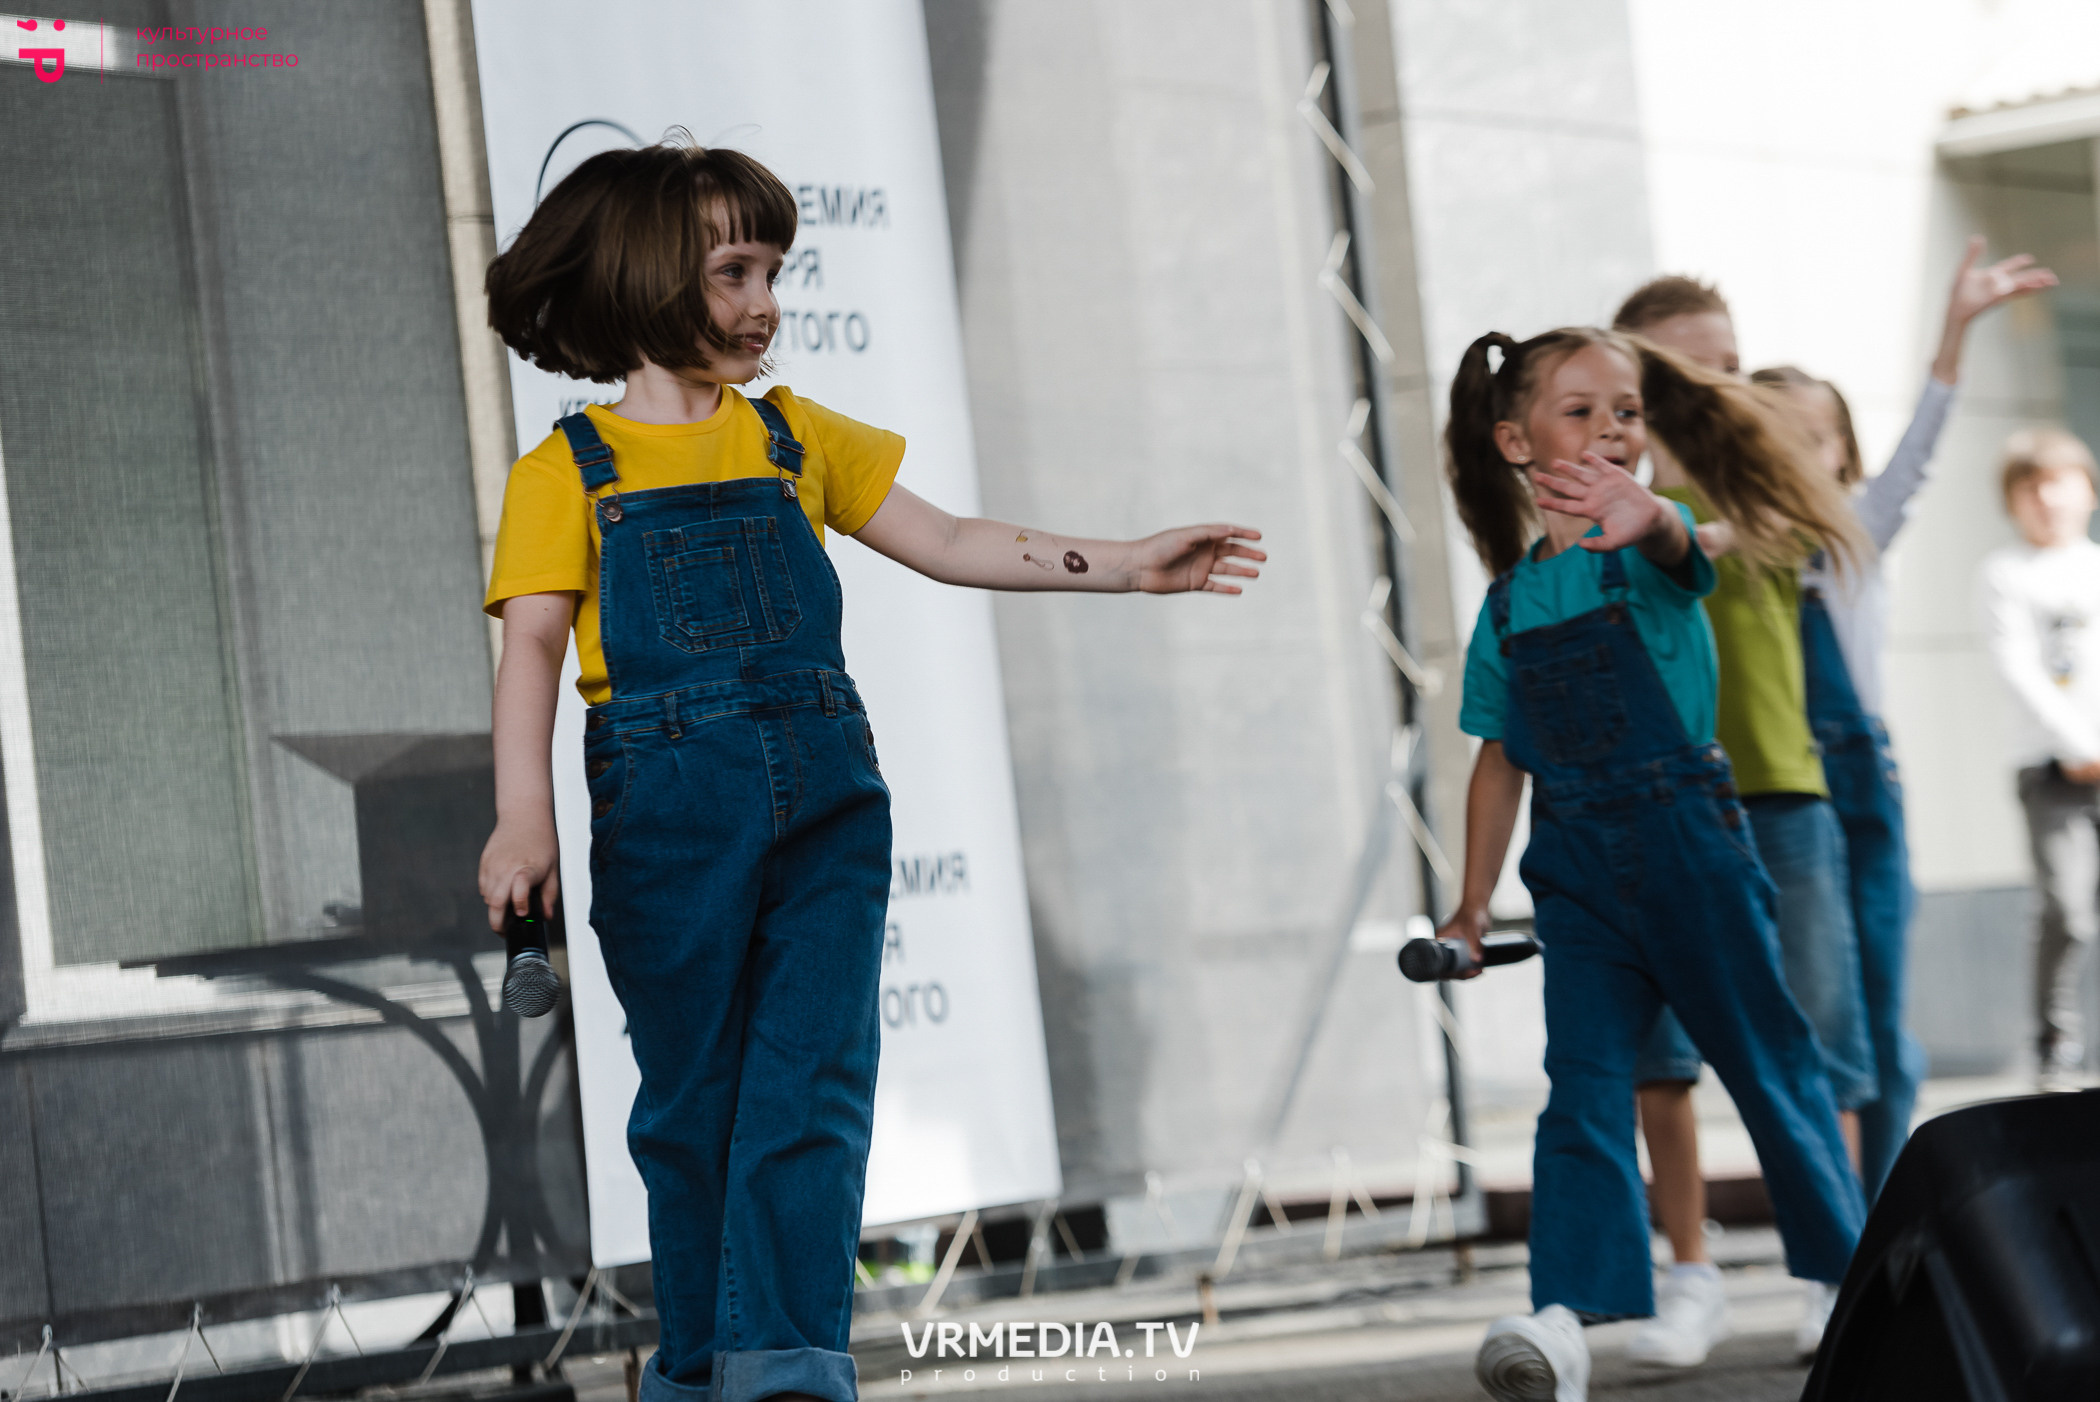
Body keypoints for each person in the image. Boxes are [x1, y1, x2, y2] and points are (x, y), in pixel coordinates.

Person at [475, 140, 1264, 1402]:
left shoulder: (796, 436)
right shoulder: (566, 471)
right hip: (668, 819)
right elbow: (530, 650)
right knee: (695, 1112)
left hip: (828, 806)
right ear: (645, 275)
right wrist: (526, 817)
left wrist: (1126, 564)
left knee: (813, 1089)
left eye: (775, 272)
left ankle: (788, 1371)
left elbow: (947, 538)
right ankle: (702, 1373)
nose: (766, 302)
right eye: (735, 272)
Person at [1616, 252, 2056, 1367]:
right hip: (1715, 784)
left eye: (1818, 435)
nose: (1731, 389)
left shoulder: (1826, 524)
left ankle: (1871, 1246)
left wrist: (1952, 334)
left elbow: (1909, 463)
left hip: (1835, 783)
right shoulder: (1672, 510)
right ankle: (1764, 1262)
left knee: (1864, 1034)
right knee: (1732, 1038)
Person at [1438, 325, 1865, 1402]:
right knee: (1582, 1088)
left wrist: (1660, 520)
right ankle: (1563, 1318)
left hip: (1691, 849)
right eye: (1580, 411)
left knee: (1768, 1062)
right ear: (1515, 442)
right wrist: (1470, 905)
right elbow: (1499, 759)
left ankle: (1851, 1279)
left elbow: (1679, 545)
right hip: (1575, 872)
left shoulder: (1654, 542)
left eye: (1626, 411)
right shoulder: (1507, 603)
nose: (1613, 429)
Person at [1980, 427, 2100, 1093]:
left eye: (2060, 482)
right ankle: (2055, 1042)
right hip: (2051, 772)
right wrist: (2079, 745)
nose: (2047, 499)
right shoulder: (2006, 573)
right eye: (2031, 487)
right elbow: (2018, 668)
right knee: (2067, 909)